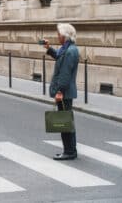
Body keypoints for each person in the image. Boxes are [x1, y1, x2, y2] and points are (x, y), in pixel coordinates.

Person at [44, 23, 79, 160]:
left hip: (65, 92)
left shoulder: (70, 51)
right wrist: (48, 48)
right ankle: (71, 150)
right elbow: (59, 56)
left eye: (59, 34)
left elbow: (65, 74)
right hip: (65, 91)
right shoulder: (67, 48)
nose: (57, 36)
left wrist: (59, 91)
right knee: (67, 121)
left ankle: (69, 151)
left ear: (65, 35)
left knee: (65, 122)